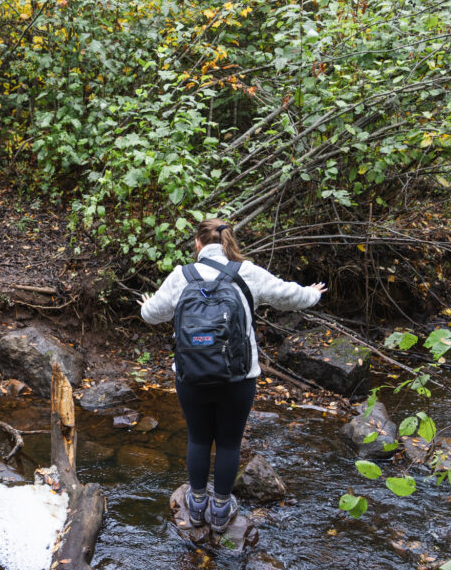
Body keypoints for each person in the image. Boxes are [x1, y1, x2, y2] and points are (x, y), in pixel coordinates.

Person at [139, 218, 326, 532]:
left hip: (190, 377)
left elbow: (151, 315)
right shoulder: (247, 272)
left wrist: (146, 305)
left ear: (198, 244)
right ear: (229, 242)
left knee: (198, 439)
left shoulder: (182, 275)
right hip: (238, 378)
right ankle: (221, 510)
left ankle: (196, 506)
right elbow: (289, 296)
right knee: (228, 444)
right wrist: (312, 293)